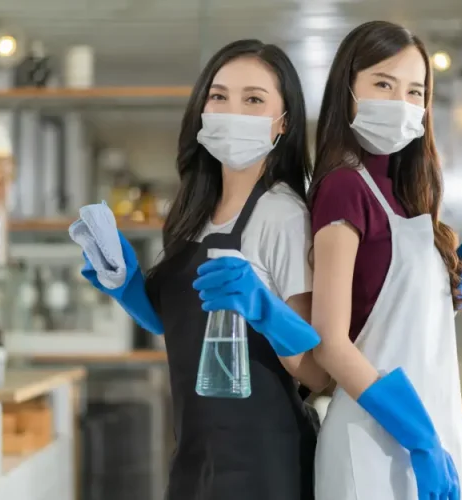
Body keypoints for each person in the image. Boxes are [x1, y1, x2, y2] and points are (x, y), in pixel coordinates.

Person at [71, 39, 328, 499]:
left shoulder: (282, 214)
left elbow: (317, 372)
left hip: (266, 464)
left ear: (282, 123)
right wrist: (128, 285)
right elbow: (184, 326)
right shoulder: (193, 209)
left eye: (253, 99)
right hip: (196, 455)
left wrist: (263, 309)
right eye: (219, 96)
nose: (233, 111)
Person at [305, 21, 462, 500]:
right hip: (373, 438)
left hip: (433, 427)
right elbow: (331, 344)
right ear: (349, 89)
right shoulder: (344, 188)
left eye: (414, 91)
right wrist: (419, 439)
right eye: (383, 84)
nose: (401, 103)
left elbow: (428, 314)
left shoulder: (410, 193)